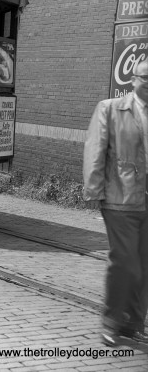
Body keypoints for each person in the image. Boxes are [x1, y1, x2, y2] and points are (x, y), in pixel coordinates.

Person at [83, 59, 148, 346]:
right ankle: (111, 321)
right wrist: (94, 191)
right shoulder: (110, 109)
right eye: (146, 78)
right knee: (126, 264)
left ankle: (133, 323)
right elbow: (95, 151)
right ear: (133, 80)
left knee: (144, 265)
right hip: (120, 198)